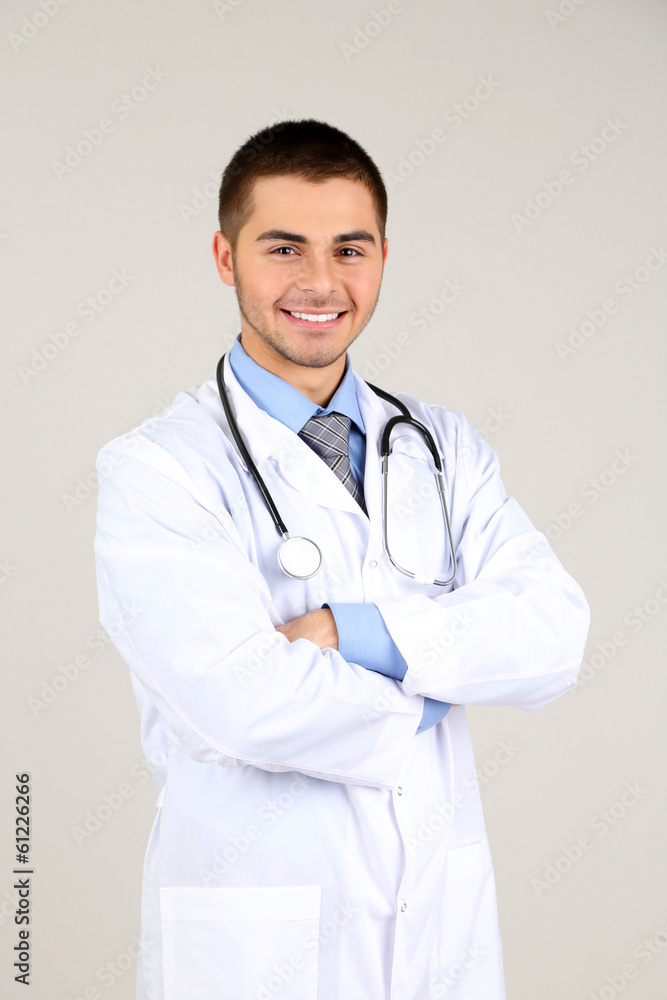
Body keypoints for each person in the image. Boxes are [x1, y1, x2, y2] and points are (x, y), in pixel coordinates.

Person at [94, 118, 590, 1000]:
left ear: (384, 257)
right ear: (224, 256)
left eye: (348, 248)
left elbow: (553, 634)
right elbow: (243, 700)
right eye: (283, 248)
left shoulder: (443, 447)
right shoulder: (158, 469)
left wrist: (350, 633)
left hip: (439, 927)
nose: (320, 282)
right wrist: (448, 668)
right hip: (255, 940)